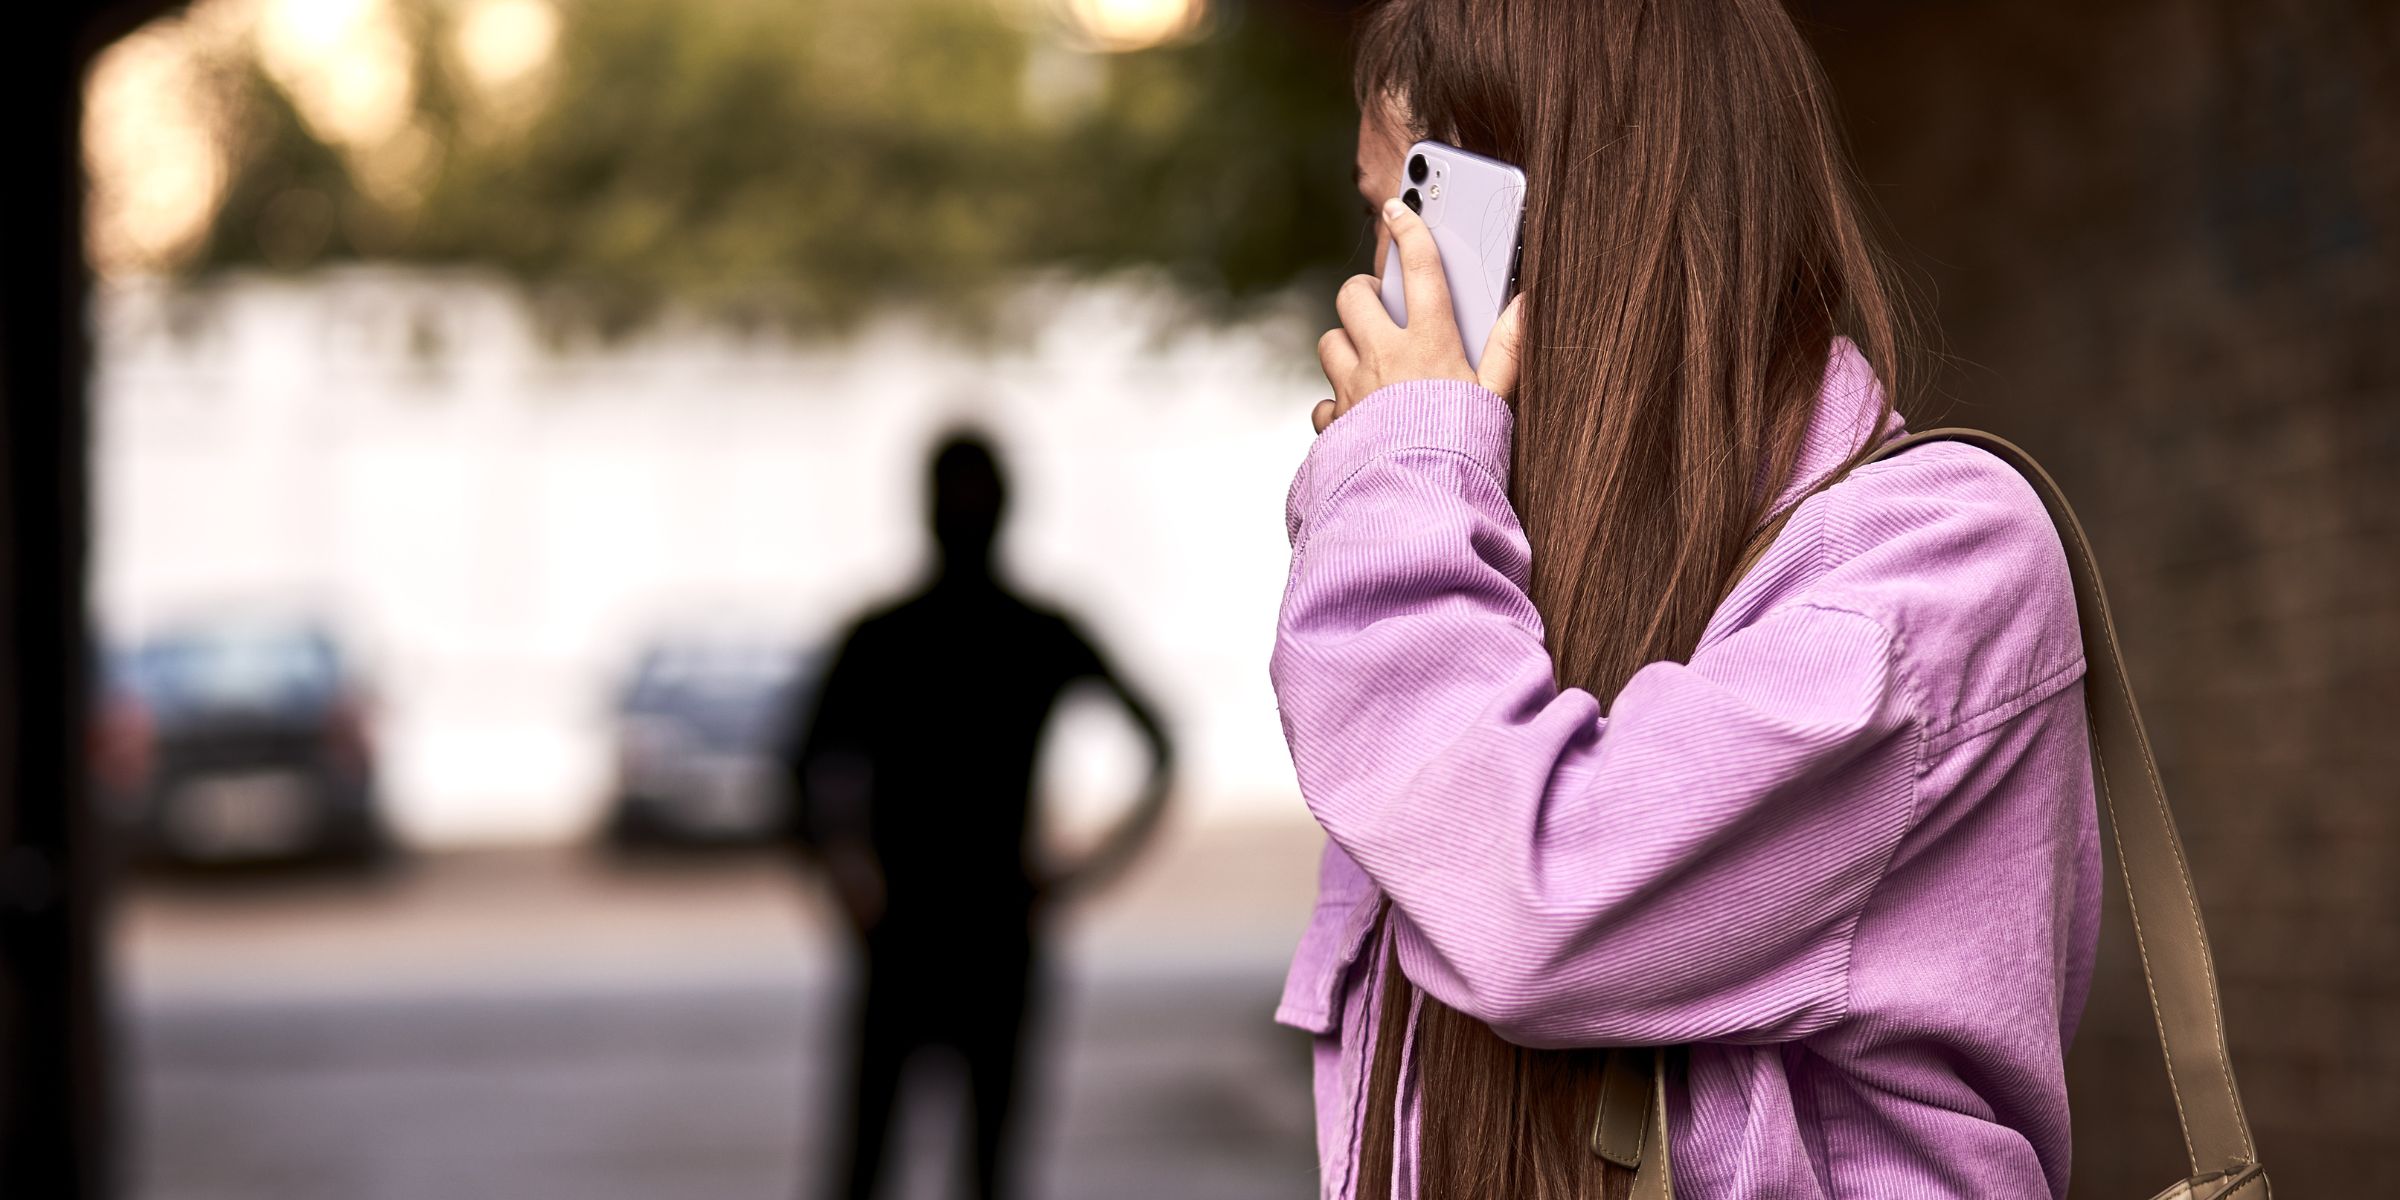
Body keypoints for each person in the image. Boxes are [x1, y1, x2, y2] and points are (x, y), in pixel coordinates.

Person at [1273, 2, 2098, 1199]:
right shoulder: (1492, 612)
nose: (1380, 286)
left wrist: (1403, 481)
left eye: (1400, 215)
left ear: (1530, 220)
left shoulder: (1941, 565)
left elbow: (1536, 899)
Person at [786, 431, 1175, 1200]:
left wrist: (844, 882)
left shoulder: (894, 636)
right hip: (968, 927)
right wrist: (1083, 871)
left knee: (908, 1159)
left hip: (937, 929)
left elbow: (799, 774)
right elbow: (798, 774)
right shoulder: (1014, 632)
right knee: (957, 1161)